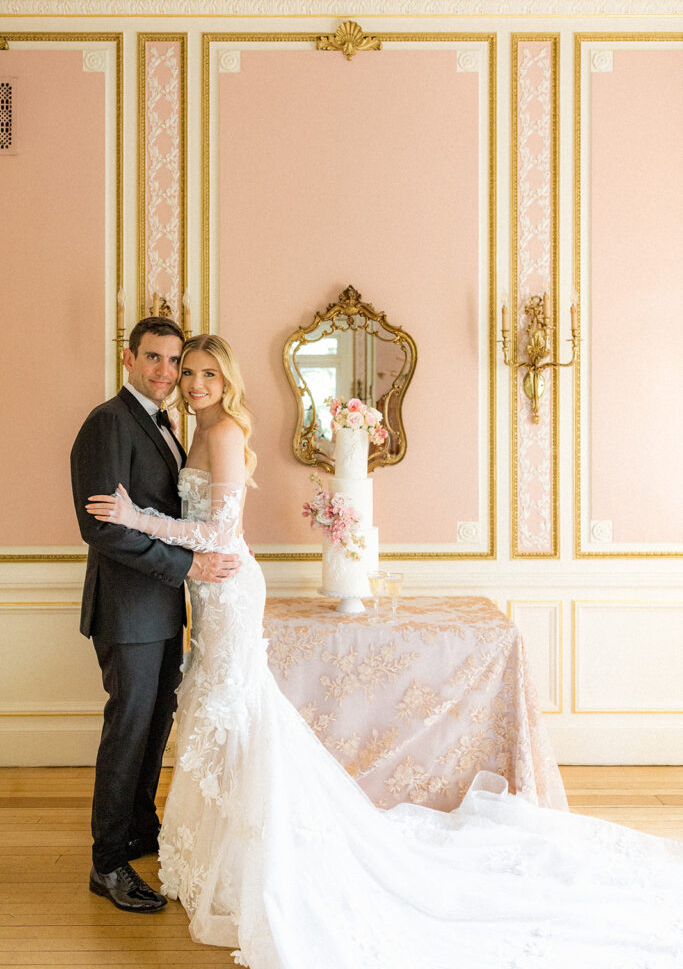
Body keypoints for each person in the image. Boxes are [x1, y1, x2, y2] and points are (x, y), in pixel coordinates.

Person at [86, 334, 683, 968]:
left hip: (227, 587)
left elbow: (219, 531)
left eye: (204, 371)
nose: (192, 380)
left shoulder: (225, 430)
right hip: (204, 591)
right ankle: (217, 843)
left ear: (224, 378)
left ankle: (253, 849)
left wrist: (137, 517)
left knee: (236, 709)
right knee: (215, 711)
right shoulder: (187, 425)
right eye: (186, 369)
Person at [71, 317, 242, 914]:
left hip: (165, 607)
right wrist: (188, 567)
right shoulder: (108, 422)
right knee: (129, 730)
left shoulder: (168, 423)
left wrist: (182, 575)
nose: (167, 372)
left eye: (175, 362)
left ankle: (140, 829)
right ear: (130, 358)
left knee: (154, 725)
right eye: (156, 359)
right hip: (128, 609)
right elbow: (101, 527)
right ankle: (108, 863)